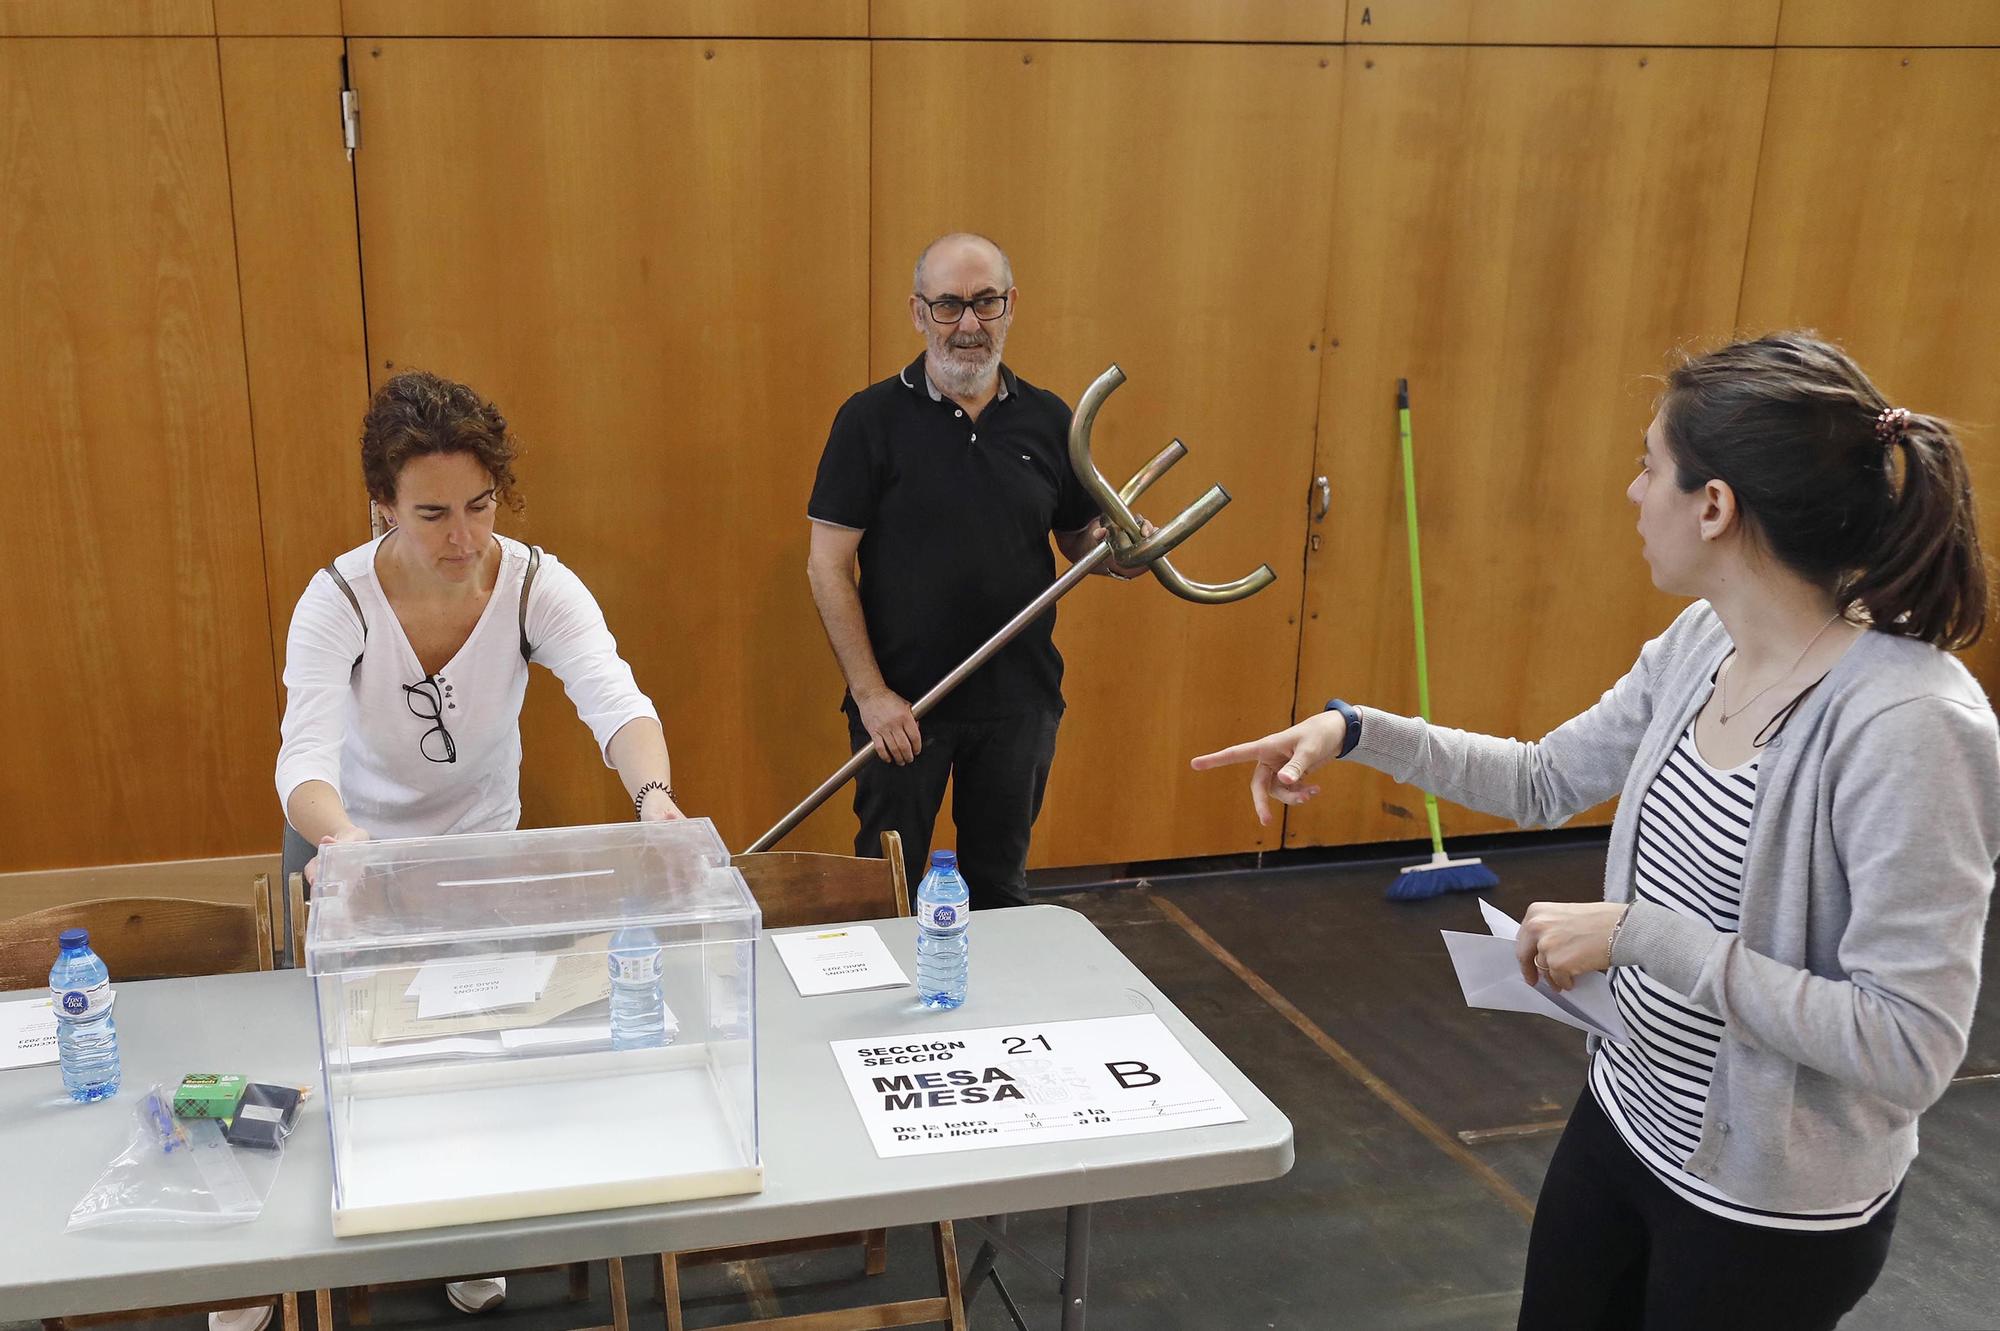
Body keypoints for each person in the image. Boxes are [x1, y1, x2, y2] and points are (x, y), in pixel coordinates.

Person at [1192, 333, 2000, 1330]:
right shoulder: (1705, 638)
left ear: (1713, 506)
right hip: (1623, 1122)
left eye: (1645, 466)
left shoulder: (1909, 725)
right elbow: (1544, 775)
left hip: (1766, 1211)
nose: (1630, 493)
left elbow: (1906, 1042)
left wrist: (1636, 934)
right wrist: (1352, 730)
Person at [268, 370, 681, 1320]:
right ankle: (285, 1253)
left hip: (476, 851)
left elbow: (617, 702)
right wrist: (351, 844)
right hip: (348, 848)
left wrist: (654, 797)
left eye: (481, 505)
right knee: (345, 1058)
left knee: (474, 1045)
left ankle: (467, 1223)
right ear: (382, 508)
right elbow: (302, 764)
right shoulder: (337, 598)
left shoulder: (535, 582)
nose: (463, 538)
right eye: (432, 514)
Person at [806, 233, 1137, 909]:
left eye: (984, 303)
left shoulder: (1049, 421)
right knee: (886, 897)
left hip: (1019, 704)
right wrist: (871, 695)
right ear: (918, 312)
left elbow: (1078, 535)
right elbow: (827, 566)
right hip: (904, 710)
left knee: (998, 890)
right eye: (949, 304)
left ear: (1010, 305)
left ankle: (988, 1016)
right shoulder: (870, 421)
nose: (967, 325)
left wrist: (1122, 551)